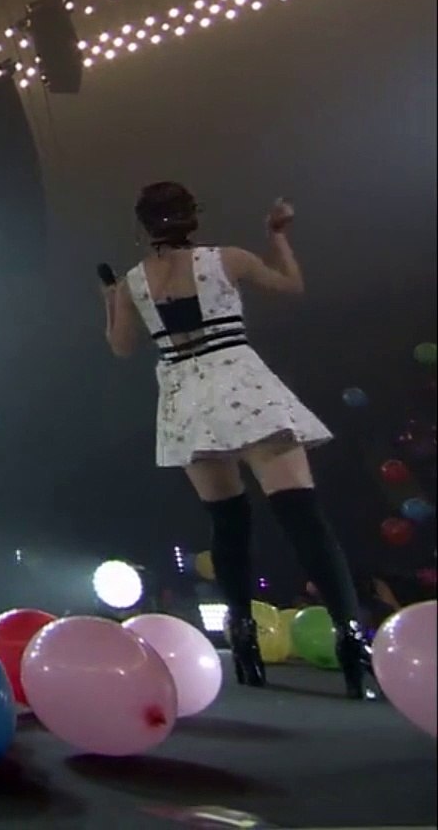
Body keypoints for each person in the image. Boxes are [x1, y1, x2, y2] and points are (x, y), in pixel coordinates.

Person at [102, 184, 372, 698]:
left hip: (185, 392)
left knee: (228, 522)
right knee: (302, 515)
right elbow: (291, 285)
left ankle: (243, 637)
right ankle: (350, 638)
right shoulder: (228, 258)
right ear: (192, 218)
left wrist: (111, 304)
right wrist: (278, 237)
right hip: (241, 384)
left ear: (143, 227)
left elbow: (120, 347)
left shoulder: (133, 282)